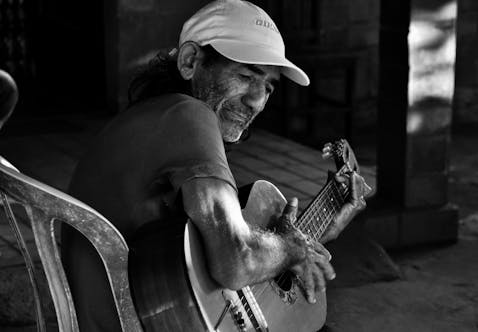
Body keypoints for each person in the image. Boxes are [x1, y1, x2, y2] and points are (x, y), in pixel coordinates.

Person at [61, 0, 371, 331]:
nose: (257, 100)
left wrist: (320, 230)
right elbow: (236, 262)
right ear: (190, 61)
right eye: (245, 75)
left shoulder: (155, 117)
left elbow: (209, 247)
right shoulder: (189, 116)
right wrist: (293, 246)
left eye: (267, 86)